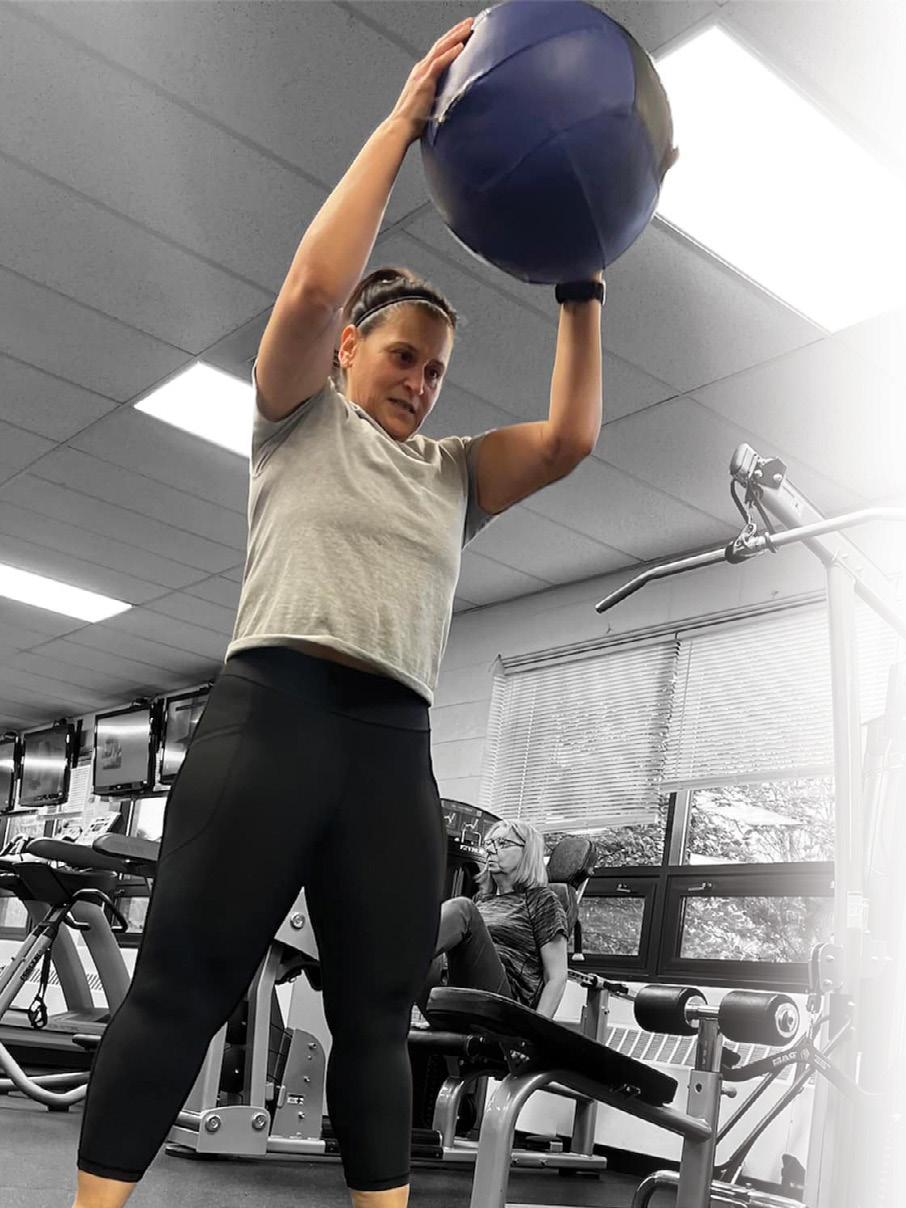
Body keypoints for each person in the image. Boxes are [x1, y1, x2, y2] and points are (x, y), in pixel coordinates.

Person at [71, 17, 603, 1208]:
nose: (420, 382)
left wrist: (582, 275)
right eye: (403, 356)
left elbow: (571, 436)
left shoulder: (455, 475)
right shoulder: (297, 417)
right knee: (179, 989)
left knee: (375, 1020)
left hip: (388, 754)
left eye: (437, 370)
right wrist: (405, 121)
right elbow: (315, 283)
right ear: (352, 349)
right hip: (270, 718)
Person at [419, 820, 569, 1020]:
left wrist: (535, 1031)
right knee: (422, 941)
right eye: (489, 843)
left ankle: (392, 962)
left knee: (461, 908)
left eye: (503, 843)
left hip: (504, 1009)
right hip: (452, 994)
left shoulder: (542, 900)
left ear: (527, 852)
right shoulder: (481, 900)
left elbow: (557, 977)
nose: (490, 850)